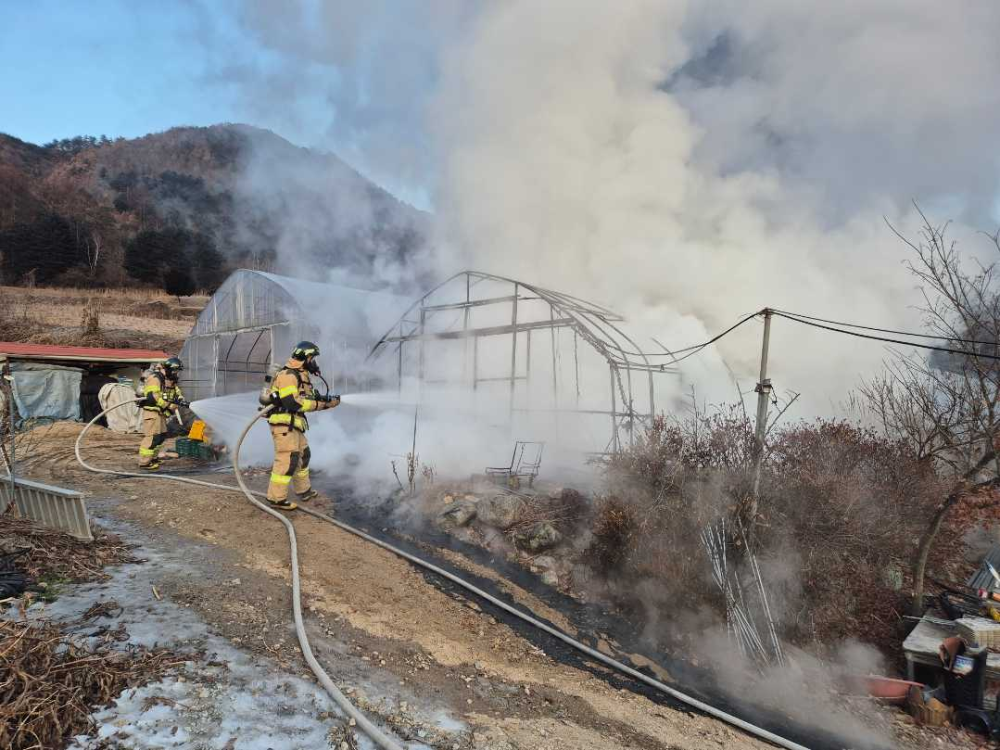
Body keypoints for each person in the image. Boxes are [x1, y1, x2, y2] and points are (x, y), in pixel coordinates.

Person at [265, 341, 340, 510]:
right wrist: (319, 404)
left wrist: (328, 401)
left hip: (295, 424)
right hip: (284, 424)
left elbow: (310, 399)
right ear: (304, 357)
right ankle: (275, 498)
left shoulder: (301, 376)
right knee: (287, 460)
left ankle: (303, 490)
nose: (313, 362)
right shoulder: (288, 375)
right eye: (312, 358)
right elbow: (293, 403)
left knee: (303, 456)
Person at [138, 356, 187, 470]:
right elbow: (153, 397)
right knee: (152, 438)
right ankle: (144, 462)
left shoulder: (166, 379)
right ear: (169, 368)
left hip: (160, 414)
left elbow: (176, 391)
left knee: (160, 437)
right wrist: (168, 406)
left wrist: (180, 399)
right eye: (175, 371)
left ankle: (153, 458)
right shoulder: (155, 378)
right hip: (152, 413)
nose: (176, 374)